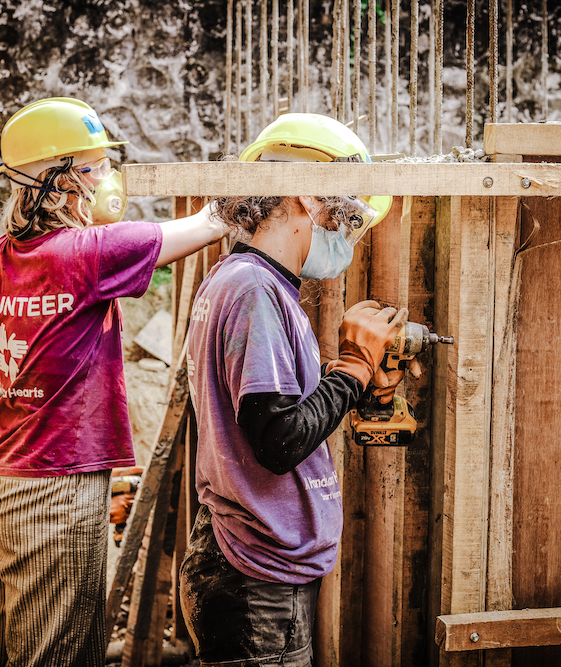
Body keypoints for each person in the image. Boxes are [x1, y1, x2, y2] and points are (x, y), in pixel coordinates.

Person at [0, 97, 225, 667]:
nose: (107, 180)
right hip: (57, 487)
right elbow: (212, 221)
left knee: (10, 651)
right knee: (58, 656)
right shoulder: (91, 254)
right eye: (96, 167)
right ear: (61, 180)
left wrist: (26, 320)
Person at [179, 113, 414, 666]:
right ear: (309, 197)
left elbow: (270, 411)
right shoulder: (255, 290)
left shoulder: (241, 279)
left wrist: (349, 381)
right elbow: (279, 439)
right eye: (347, 211)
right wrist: (355, 367)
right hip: (255, 580)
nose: (347, 233)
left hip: (245, 566)